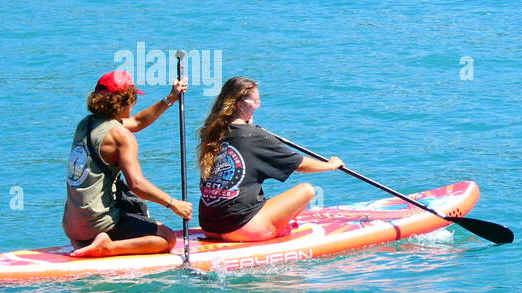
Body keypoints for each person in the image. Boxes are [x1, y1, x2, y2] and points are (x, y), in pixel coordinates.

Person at [64, 70, 193, 258]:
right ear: (124, 100)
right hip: (98, 224)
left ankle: (88, 240)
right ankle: (105, 247)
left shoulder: (87, 124)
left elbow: (137, 121)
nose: (134, 103)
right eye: (133, 98)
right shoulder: (121, 136)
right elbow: (137, 184)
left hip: (72, 226)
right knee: (168, 238)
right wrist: (174, 204)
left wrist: (170, 98)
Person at [197, 77, 343, 242]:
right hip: (242, 228)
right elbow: (299, 164)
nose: (258, 106)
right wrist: (330, 165)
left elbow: (240, 139)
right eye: (256, 101)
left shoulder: (211, 132)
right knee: (307, 190)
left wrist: (248, 125)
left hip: (208, 225)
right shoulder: (254, 136)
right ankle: (277, 230)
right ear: (240, 105)